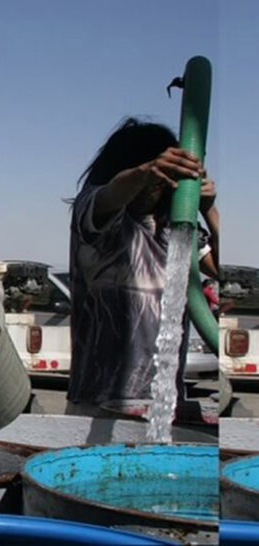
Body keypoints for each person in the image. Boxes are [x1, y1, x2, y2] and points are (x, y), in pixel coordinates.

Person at [67, 118, 219, 417]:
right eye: (158, 170)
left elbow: (219, 269)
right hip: (99, 404)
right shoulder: (98, 217)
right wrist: (144, 173)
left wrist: (209, 209)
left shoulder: (177, 226)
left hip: (163, 404)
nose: (161, 183)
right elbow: (111, 195)